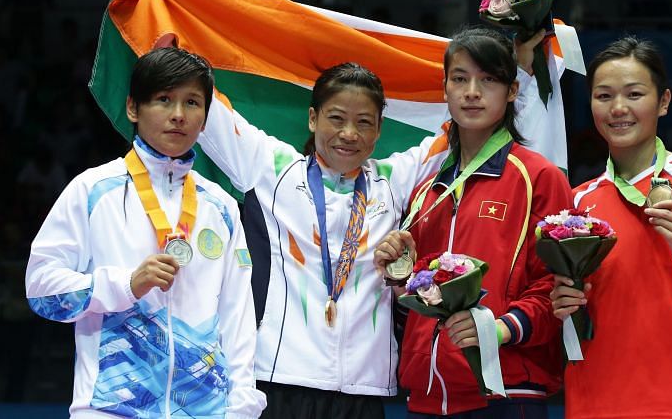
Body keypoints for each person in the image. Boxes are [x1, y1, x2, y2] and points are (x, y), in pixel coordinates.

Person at [196, 31, 550, 419]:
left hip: (366, 389)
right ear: (313, 119)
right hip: (281, 378)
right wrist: (163, 48)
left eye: (364, 122)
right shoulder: (271, 167)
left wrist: (525, 75)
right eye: (336, 119)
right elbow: (210, 115)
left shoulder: (394, 181)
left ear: (379, 130)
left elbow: (467, 126)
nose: (349, 134)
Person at [25, 47, 266, 418]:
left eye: (192, 103)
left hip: (206, 411)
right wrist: (124, 284)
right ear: (133, 108)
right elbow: (41, 288)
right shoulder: (92, 191)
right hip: (110, 407)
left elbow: (238, 315)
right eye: (164, 99)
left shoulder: (220, 205)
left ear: (205, 118)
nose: (178, 115)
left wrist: (241, 406)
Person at [374, 27, 573, 417]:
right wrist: (399, 279)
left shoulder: (538, 178)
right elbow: (419, 303)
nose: (472, 92)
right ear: (445, 88)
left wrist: (497, 329)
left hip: (504, 392)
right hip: (428, 396)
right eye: (460, 79)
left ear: (513, 91)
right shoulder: (427, 191)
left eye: (488, 80)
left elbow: (557, 288)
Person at [550, 36, 672, 418]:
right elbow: (565, 315)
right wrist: (559, 304)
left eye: (634, 94)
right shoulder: (575, 203)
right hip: (590, 404)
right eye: (603, 96)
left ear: (664, 102)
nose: (618, 108)